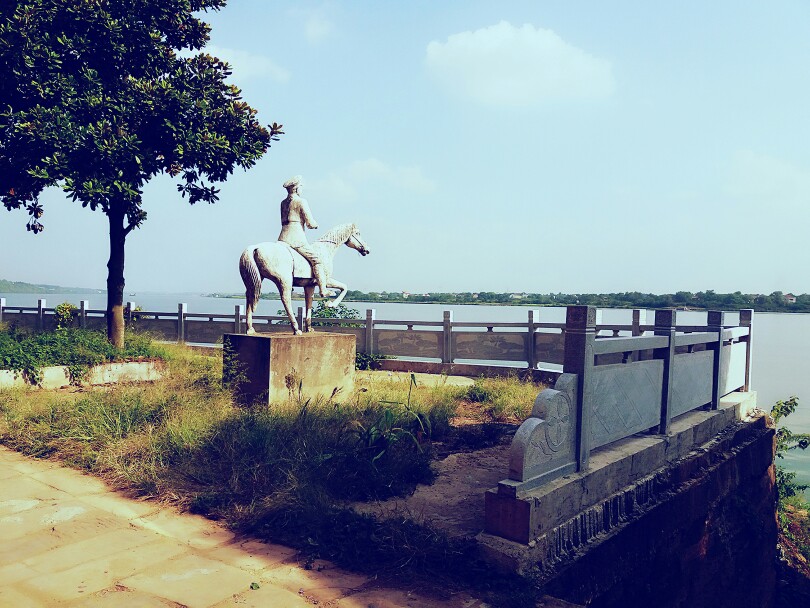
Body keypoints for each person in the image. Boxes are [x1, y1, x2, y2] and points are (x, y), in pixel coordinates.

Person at [277, 176, 332, 296]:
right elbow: (310, 223)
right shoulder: (301, 201)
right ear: (296, 188)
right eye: (301, 186)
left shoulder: (283, 203)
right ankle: (323, 289)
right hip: (296, 239)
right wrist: (315, 224)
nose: (302, 189)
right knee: (317, 260)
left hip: (282, 238)